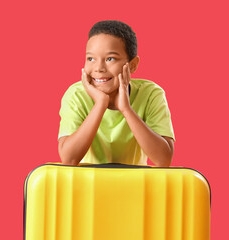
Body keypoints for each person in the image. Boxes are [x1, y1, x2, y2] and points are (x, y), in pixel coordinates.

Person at [58, 20, 175, 167]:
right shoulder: (75, 95)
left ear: (132, 65)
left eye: (110, 59)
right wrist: (100, 103)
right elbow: (69, 159)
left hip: (135, 185)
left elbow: (163, 159)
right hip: (88, 186)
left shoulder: (151, 94)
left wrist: (126, 109)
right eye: (91, 59)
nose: (99, 68)